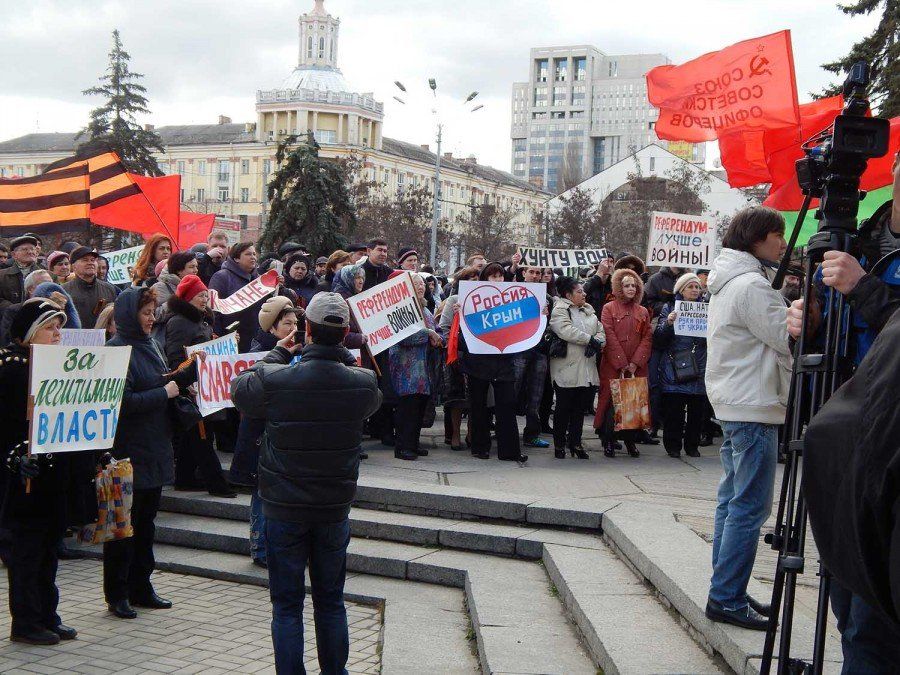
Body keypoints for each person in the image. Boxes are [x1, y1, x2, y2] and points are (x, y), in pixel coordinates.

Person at [231, 292, 382, 675]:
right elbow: (371, 395)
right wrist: (341, 353)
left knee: (286, 606)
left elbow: (240, 390)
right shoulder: (362, 384)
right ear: (346, 333)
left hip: (284, 507)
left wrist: (279, 353)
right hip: (332, 508)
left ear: (307, 330)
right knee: (331, 601)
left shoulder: (277, 378)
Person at [703, 206, 791, 631]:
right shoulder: (752, 285)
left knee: (732, 503)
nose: (783, 242)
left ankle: (727, 589)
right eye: (778, 234)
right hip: (752, 404)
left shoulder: (729, 280)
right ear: (758, 238)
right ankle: (726, 596)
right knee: (749, 508)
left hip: (736, 402)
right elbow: (786, 337)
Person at [0, 299, 97, 645]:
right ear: (30, 332)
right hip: (24, 479)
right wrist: (12, 458)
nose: (58, 333)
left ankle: (47, 614)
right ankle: (25, 622)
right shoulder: (11, 367)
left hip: (54, 475)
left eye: (59, 326)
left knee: (49, 550)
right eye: (50, 327)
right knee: (26, 553)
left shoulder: (57, 365)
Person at [104, 287, 194, 620]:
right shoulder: (115, 351)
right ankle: (118, 592)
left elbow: (162, 383)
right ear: (128, 315)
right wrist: (164, 392)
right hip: (128, 451)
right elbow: (121, 403)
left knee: (147, 524)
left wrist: (183, 380)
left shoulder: (151, 344)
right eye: (145, 312)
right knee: (124, 526)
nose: (151, 318)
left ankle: (142, 586)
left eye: (153, 311)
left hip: (155, 446)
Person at [229, 297, 301, 567]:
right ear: (272, 328)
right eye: (287, 324)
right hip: (262, 434)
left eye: (295, 323)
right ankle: (260, 547)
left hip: (284, 435)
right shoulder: (262, 352)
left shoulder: (298, 352)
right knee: (262, 494)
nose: (293, 328)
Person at [162, 275, 236, 498]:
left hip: (205, 385)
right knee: (202, 436)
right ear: (187, 297)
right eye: (199, 295)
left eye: (205, 295)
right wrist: (187, 379)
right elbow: (175, 357)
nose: (204, 299)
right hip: (191, 388)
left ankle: (185, 478)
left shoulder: (201, 321)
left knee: (194, 435)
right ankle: (217, 484)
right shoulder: (179, 322)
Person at [457, 262, 528, 463]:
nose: (497, 280)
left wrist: (539, 314)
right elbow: (462, 338)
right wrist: (460, 315)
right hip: (478, 362)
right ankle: (480, 447)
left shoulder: (510, 303)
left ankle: (509, 450)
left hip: (503, 361)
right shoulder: (470, 302)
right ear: (484, 280)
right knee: (479, 407)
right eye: (492, 277)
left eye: (500, 276)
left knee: (506, 405)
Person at [594, 269, 652, 458]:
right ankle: (609, 440)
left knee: (633, 404)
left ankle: (630, 441)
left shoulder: (642, 311)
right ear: (619, 287)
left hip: (636, 367)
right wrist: (621, 362)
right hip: (613, 365)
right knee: (611, 405)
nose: (630, 289)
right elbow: (608, 335)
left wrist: (635, 363)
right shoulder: (609, 308)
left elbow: (647, 338)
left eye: (634, 285)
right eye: (626, 285)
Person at [549, 276, 606, 459]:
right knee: (563, 408)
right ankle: (559, 444)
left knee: (579, 409)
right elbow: (565, 330)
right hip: (567, 367)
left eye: (583, 291)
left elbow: (600, 330)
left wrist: (598, 342)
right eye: (579, 291)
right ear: (568, 295)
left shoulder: (589, 311)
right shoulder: (560, 310)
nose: (584, 294)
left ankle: (575, 442)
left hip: (587, 368)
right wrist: (590, 340)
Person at [653, 273, 708, 458]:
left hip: (699, 365)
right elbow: (659, 339)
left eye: (697, 287)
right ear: (681, 290)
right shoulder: (669, 308)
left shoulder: (706, 308)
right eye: (690, 287)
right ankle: (673, 446)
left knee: (696, 412)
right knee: (674, 411)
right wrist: (668, 323)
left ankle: (692, 446)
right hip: (674, 365)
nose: (694, 290)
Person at [389, 275, 442, 461]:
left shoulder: (425, 308)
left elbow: (437, 330)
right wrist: (428, 334)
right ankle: (402, 446)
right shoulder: (401, 307)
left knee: (419, 408)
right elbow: (402, 336)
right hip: (407, 368)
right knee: (408, 408)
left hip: (424, 369)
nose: (420, 287)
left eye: (422, 284)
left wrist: (438, 337)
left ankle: (413, 443)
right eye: (416, 284)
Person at [438, 266, 479, 450]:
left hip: (478, 355)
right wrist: (451, 347)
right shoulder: (454, 300)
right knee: (457, 397)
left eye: (477, 279)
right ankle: (455, 434)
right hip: (458, 354)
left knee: (474, 398)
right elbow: (444, 327)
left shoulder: (483, 300)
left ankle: (471, 432)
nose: (474, 282)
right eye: (470, 279)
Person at [514, 266, 551, 450]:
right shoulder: (512, 294)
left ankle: (532, 434)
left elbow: (551, 326)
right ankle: (508, 431)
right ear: (523, 274)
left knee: (536, 395)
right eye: (532, 272)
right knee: (513, 391)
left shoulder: (548, 298)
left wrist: (547, 315)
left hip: (539, 351)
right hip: (518, 350)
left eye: (538, 273)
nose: (535, 276)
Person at [208, 242, 261, 352]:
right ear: (236, 258)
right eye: (248, 254)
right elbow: (213, 310)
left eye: (254, 254)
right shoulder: (221, 277)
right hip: (231, 340)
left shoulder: (259, 279)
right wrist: (221, 336)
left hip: (255, 340)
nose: (253, 257)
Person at [62, 246, 118, 329]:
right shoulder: (64, 290)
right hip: (74, 339)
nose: (90, 263)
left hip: (104, 339)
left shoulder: (109, 289)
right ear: (73, 267)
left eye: (93, 260)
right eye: (85, 260)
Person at [0, 269, 52, 345]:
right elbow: (7, 341)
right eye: (45, 284)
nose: (51, 287)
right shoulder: (14, 311)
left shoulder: (58, 309)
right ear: (31, 289)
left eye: (52, 284)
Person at [0, 236, 43, 312]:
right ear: (14, 255)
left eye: (32, 249)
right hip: (10, 320)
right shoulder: (2, 275)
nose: (30, 252)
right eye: (25, 249)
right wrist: (15, 308)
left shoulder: (46, 275)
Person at [331, 264, 368, 352]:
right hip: (346, 355)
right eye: (357, 278)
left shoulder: (358, 298)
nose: (361, 281)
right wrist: (357, 338)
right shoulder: (338, 302)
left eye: (362, 278)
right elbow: (334, 332)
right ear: (347, 278)